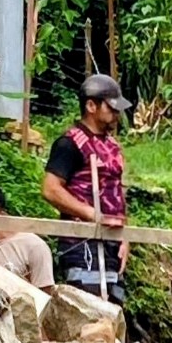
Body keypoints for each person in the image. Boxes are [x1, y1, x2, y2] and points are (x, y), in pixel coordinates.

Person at [41, 73, 131, 296]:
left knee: (113, 311)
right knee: (88, 311)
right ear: (91, 105)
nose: (116, 114)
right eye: (111, 108)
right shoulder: (70, 144)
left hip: (112, 243)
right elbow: (50, 189)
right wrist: (91, 214)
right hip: (82, 244)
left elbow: (117, 193)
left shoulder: (112, 146)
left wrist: (125, 237)